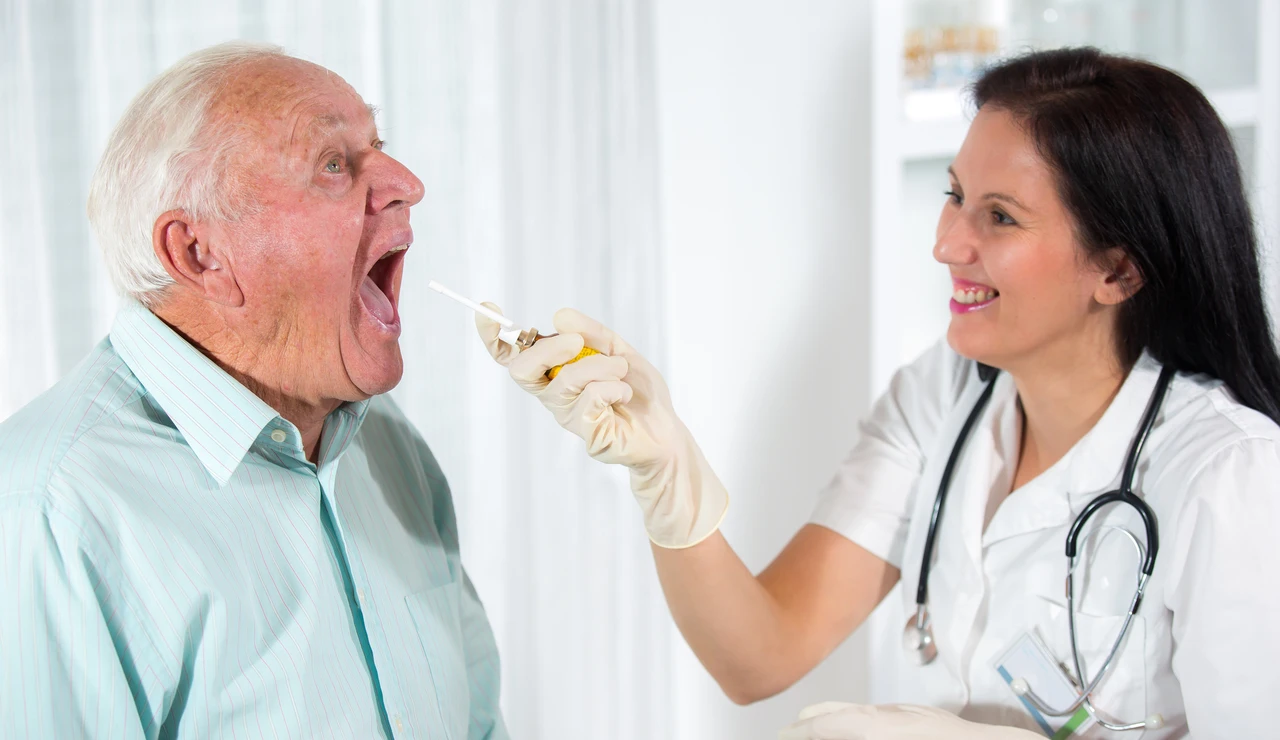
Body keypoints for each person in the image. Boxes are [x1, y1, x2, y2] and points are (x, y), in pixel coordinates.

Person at [476, 47, 1280, 737]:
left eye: (1000, 217)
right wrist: (665, 476)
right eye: (954, 196)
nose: (946, 244)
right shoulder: (943, 398)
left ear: (1117, 269)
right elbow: (759, 655)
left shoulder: (1227, 479)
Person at [0, 42, 508, 738]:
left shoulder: (390, 451)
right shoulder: (47, 513)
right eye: (334, 165)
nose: (407, 183)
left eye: (377, 147)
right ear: (199, 256)